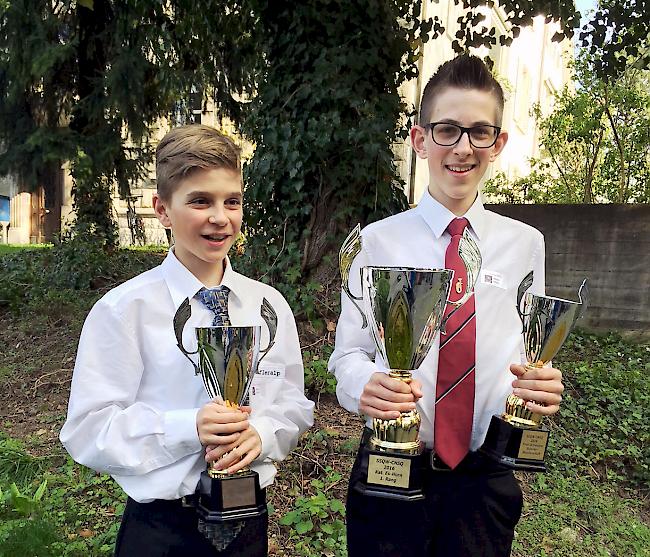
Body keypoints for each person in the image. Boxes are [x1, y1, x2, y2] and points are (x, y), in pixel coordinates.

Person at [329, 54, 564, 557]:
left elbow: (527, 348)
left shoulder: (526, 244)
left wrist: (540, 380)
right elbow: (346, 355)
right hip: (393, 466)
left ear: (498, 143)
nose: (463, 147)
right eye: (447, 130)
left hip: (484, 476)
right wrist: (362, 386)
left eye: (480, 132)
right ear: (419, 140)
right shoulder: (376, 243)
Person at [60, 124, 314, 557]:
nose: (220, 217)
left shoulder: (267, 306)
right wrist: (188, 427)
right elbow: (88, 429)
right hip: (161, 529)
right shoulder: (124, 310)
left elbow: (292, 405)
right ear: (162, 209)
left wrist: (263, 434)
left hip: (247, 518)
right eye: (200, 201)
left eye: (231, 201)